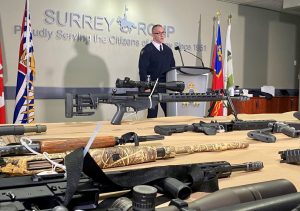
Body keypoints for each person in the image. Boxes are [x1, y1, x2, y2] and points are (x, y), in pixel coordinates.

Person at [138, 24, 175, 118]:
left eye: (163, 33)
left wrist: (173, 86)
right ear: (153, 35)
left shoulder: (168, 50)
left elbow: (172, 68)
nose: (162, 35)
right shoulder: (147, 50)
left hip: (166, 87)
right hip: (152, 87)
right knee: (152, 114)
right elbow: (142, 70)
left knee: (170, 113)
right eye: (158, 33)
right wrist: (146, 86)